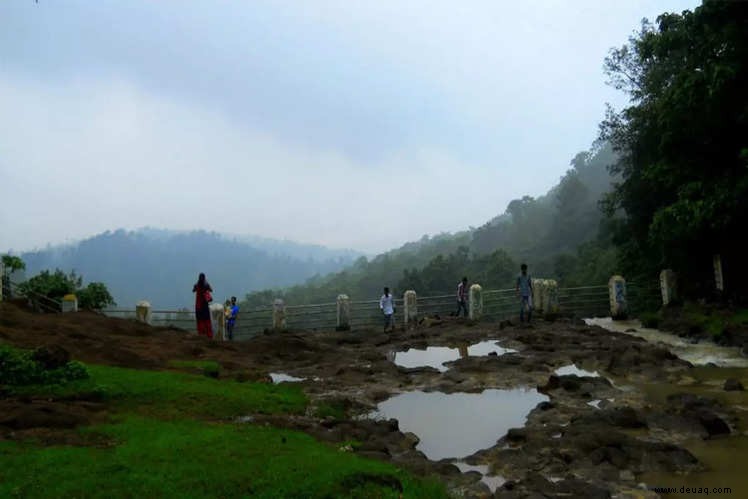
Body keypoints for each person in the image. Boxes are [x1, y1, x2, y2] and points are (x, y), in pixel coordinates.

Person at [192, 273, 213, 338]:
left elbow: (193, 290)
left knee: (200, 321)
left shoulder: (196, 285)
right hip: (204, 305)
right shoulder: (206, 285)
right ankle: (209, 335)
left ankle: (201, 335)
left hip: (198, 306)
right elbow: (211, 290)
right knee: (207, 321)